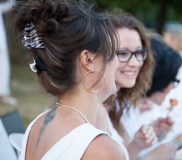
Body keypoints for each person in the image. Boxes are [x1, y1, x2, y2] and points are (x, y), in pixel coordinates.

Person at [12, 0, 125, 159]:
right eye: (113, 54)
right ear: (88, 59)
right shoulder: (102, 150)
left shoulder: (36, 126)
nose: (118, 63)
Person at [96, 14, 176, 160]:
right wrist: (149, 158)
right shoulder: (93, 111)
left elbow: (122, 155)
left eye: (139, 52)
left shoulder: (121, 101)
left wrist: (140, 142)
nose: (135, 63)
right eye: (123, 53)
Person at [137, 36, 182, 139]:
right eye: (173, 80)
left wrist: (152, 130)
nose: (173, 87)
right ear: (160, 78)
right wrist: (151, 156)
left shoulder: (135, 106)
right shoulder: (121, 109)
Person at [0, 0, 18, 106]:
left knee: (4, 69)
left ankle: (4, 94)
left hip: (1, 45)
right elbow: (8, 6)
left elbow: (9, 6)